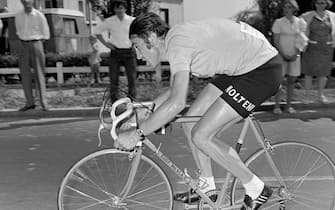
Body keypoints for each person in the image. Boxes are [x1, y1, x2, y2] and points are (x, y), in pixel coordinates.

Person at [115, 13, 282, 210]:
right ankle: (207, 188)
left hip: (261, 70)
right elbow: (174, 91)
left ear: (151, 39)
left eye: (137, 46)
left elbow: (177, 103)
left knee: (202, 135)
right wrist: (146, 110)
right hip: (241, 67)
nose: (137, 54)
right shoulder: (175, 42)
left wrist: (138, 134)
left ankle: (256, 189)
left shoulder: (177, 45)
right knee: (190, 122)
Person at [94, 0, 137, 102]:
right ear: (114, 9)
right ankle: (114, 102)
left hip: (129, 52)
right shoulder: (110, 21)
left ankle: (132, 101)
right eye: (117, 8)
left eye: (121, 8)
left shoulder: (132, 20)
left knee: (132, 79)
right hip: (115, 52)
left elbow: (140, 32)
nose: (119, 10)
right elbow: (97, 32)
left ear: (125, 9)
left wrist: (135, 42)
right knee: (114, 79)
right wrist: (106, 44)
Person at [272, 0, 308, 114]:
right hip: (281, 55)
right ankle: (277, 106)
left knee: (291, 81)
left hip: (295, 56)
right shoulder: (278, 22)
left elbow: (302, 40)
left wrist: (296, 54)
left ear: (294, 9)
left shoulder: (301, 22)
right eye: (285, 7)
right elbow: (276, 41)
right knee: (279, 82)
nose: (287, 9)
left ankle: (288, 106)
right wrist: (283, 54)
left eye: (289, 7)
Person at [15, 0, 50, 111]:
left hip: (36, 43)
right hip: (23, 44)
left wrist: (36, 43)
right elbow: (18, 31)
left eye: (28, 0)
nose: (26, 2)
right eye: (24, 0)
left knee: (39, 74)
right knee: (25, 75)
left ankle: (43, 102)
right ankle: (29, 102)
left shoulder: (39, 15)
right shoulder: (18, 16)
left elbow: (46, 33)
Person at [301, 0, 335, 104]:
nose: (320, 5)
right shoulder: (307, 16)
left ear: (327, 4)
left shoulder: (333, 16)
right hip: (311, 47)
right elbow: (298, 28)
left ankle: (320, 95)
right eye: (318, 3)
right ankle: (307, 96)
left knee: (323, 73)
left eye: (322, 3)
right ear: (314, 4)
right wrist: (302, 41)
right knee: (309, 72)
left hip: (327, 48)